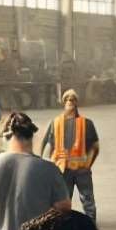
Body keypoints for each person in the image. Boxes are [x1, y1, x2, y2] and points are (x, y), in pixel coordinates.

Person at [40, 89, 99, 219]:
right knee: (63, 201)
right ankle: (63, 226)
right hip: (62, 168)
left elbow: (95, 147)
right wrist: (47, 165)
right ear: (63, 102)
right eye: (67, 99)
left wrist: (88, 164)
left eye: (72, 99)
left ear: (76, 102)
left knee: (87, 199)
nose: (69, 101)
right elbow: (47, 146)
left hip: (81, 169)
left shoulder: (86, 123)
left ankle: (90, 225)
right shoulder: (55, 123)